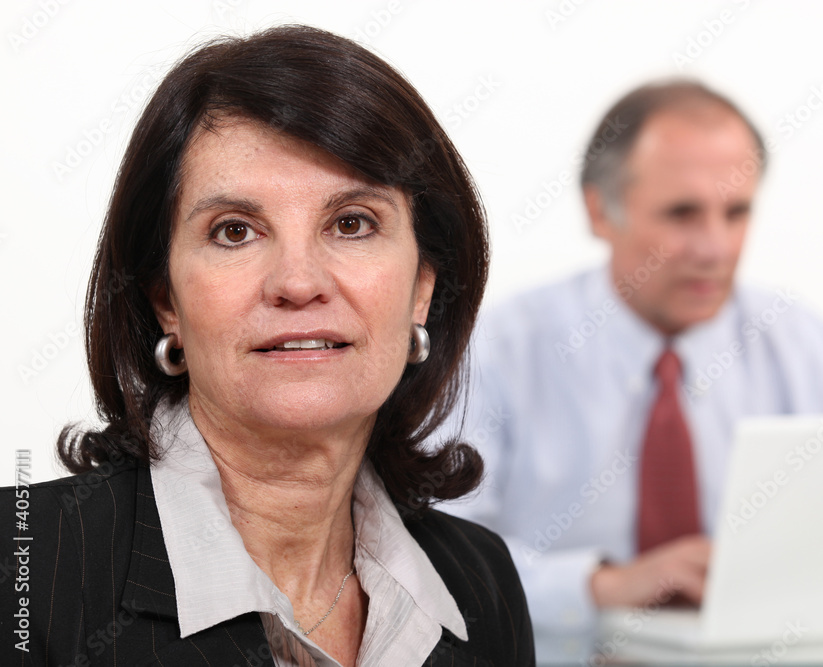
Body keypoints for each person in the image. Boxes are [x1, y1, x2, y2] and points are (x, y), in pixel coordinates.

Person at [0, 25, 534, 667]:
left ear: (422, 289)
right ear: (164, 299)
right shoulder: (21, 565)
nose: (298, 283)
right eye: (234, 232)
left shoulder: (480, 580)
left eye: (352, 223)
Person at [436, 80, 823, 663]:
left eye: (736, 212)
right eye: (682, 214)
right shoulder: (496, 351)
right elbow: (435, 554)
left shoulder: (812, 352)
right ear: (599, 211)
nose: (714, 248)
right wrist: (600, 588)